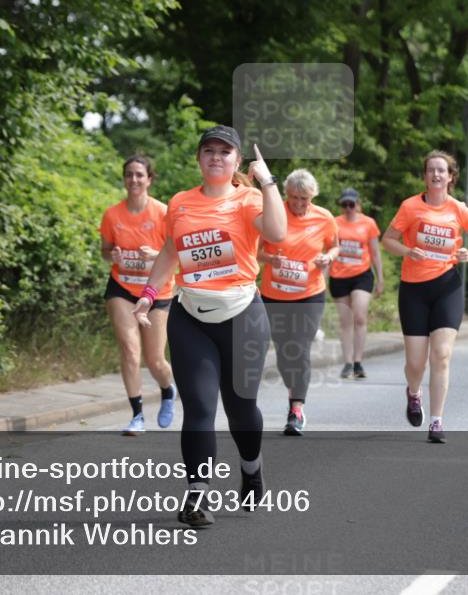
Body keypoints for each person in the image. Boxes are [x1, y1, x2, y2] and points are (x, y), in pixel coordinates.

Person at [132, 126, 285, 527]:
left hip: (242, 317)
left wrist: (267, 181)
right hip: (191, 316)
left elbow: (277, 233)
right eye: (208, 151)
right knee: (199, 409)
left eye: (225, 152)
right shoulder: (180, 203)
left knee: (241, 410)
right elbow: (170, 251)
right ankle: (197, 498)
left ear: (237, 162)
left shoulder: (249, 198)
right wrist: (149, 294)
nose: (216, 157)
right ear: (199, 159)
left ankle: (251, 468)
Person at [381, 151, 468, 443]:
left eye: (442, 171)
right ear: (425, 176)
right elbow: (387, 240)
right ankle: (414, 393)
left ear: (451, 177)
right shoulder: (410, 207)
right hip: (414, 289)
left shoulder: (460, 210)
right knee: (416, 364)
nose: (436, 175)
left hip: (447, 286)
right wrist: (407, 251)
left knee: (441, 355)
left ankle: (437, 421)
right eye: (431, 170)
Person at [98, 154, 176, 436]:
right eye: (129, 174)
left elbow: (174, 254)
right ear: (124, 179)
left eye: (139, 175)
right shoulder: (112, 215)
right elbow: (105, 251)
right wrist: (113, 255)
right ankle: (137, 415)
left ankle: (168, 391)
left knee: (155, 360)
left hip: (157, 292)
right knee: (130, 351)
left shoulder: (163, 213)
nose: (134, 179)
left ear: (149, 179)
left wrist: (155, 256)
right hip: (122, 287)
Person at [258, 169, 338, 436]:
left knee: (300, 348)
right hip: (275, 295)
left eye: (305, 198)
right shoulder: (273, 214)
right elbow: (254, 251)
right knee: (283, 354)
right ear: (286, 195)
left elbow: (335, 245)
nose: (299, 204)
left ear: (312, 196)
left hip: (310, 294)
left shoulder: (324, 217)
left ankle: (296, 409)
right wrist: (271, 260)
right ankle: (294, 391)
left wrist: (329, 257)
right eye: (294, 198)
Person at [328, 188, 383, 379]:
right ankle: (348, 362)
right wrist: (322, 276)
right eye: (344, 205)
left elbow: (375, 252)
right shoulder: (334, 223)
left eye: (351, 204)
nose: (348, 208)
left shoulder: (368, 223)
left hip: (362, 275)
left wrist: (380, 279)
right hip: (339, 276)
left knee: (359, 317)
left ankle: (358, 363)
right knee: (345, 321)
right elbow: (329, 249)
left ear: (357, 204)